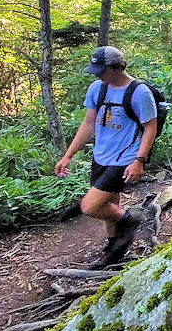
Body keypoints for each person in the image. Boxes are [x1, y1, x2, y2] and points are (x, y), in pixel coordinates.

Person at [54, 46, 157, 267]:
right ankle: (114, 249)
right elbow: (88, 124)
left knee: (89, 206)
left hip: (124, 159)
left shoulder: (139, 92)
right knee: (109, 203)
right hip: (101, 156)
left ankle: (129, 220)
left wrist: (139, 160)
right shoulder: (97, 89)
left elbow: (150, 128)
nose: (97, 74)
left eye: (101, 70)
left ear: (118, 67)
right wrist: (68, 155)